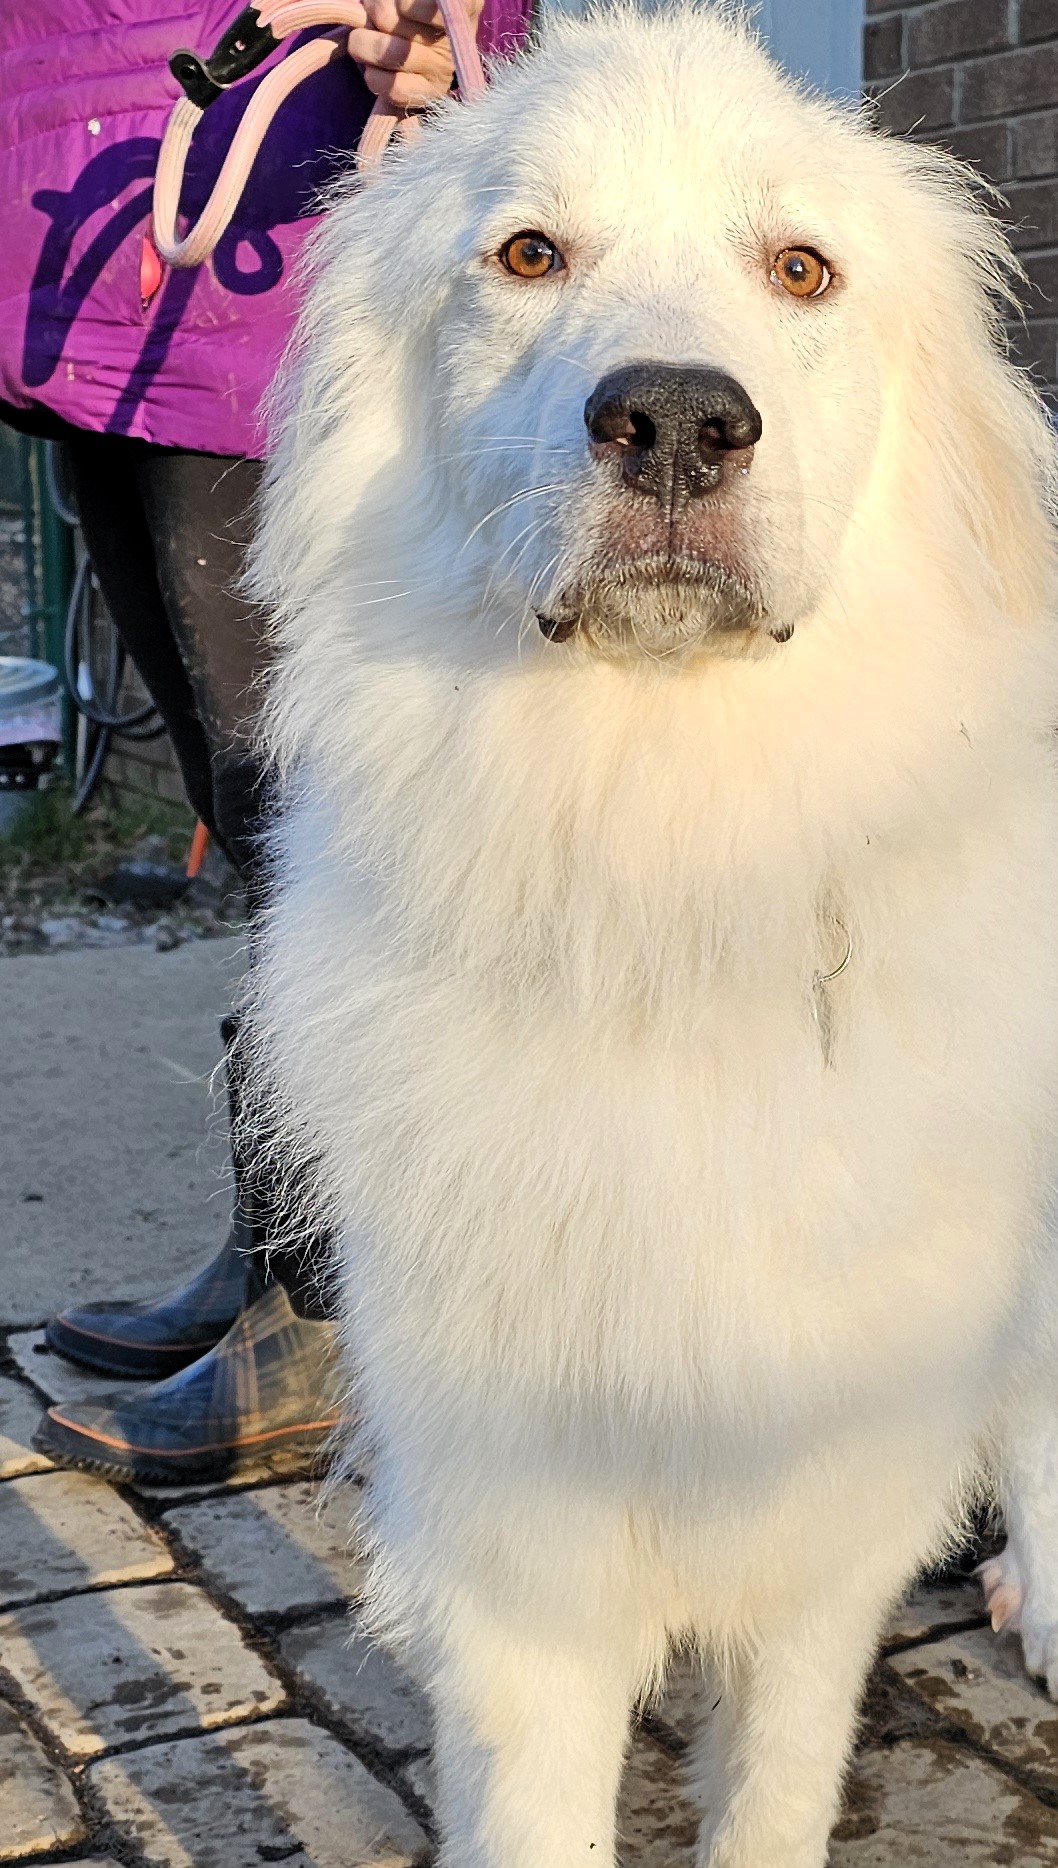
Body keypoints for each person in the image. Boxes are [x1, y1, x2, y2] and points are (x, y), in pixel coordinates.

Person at [0, 0, 532, 1482]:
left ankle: (336, 1306)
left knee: (319, 827)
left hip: (292, 154)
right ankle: (273, 1254)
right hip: (102, 166)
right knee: (255, 829)